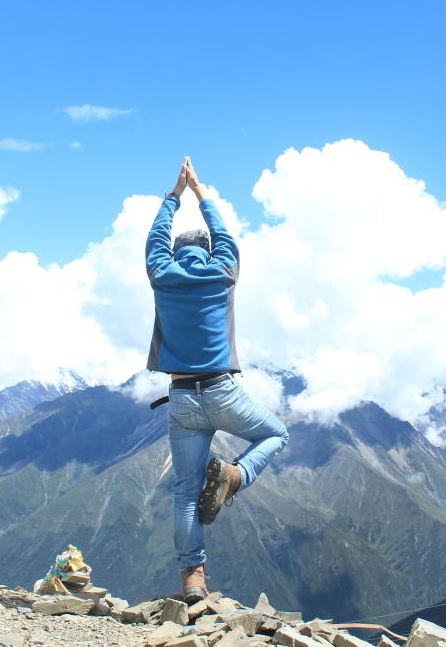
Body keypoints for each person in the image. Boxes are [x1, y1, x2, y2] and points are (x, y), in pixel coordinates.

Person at [145, 157, 289, 603]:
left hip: (182, 398)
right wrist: (200, 191)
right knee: (276, 433)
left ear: (173, 252)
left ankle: (192, 577)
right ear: (208, 250)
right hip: (222, 389)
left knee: (186, 491)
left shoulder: (161, 274)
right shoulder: (222, 272)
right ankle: (236, 474)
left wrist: (174, 195)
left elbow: (153, 241)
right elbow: (225, 235)